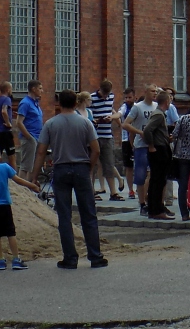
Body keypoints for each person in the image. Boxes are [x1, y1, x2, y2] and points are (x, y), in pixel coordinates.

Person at [31, 89, 107, 269]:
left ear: (58, 104)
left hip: (61, 168)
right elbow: (96, 149)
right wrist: (89, 167)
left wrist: (35, 176)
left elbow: (41, 151)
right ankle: (95, 256)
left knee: (64, 215)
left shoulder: (50, 124)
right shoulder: (85, 123)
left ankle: (70, 258)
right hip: (81, 167)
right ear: (75, 103)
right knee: (88, 213)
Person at [122, 84, 158, 216]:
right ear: (146, 92)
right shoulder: (138, 107)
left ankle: (154, 201)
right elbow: (125, 124)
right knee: (141, 175)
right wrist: (140, 133)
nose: (155, 93)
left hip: (155, 144)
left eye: (156, 91)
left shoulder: (157, 107)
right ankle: (142, 203)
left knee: (155, 174)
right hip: (141, 145)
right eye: (152, 91)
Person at [143, 91, 175, 220]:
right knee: (158, 180)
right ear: (166, 102)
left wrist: (167, 138)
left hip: (161, 147)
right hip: (158, 150)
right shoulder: (158, 115)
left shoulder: (160, 114)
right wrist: (151, 145)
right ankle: (155, 210)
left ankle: (156, 208)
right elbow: (147, 130)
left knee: (158, 180)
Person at [89, 80, 123, 200]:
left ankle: (113, 192)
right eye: (104, 94)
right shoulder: (92, 98)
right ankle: (91, 191)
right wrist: (97, 120)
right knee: (92, 164)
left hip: (107, 134)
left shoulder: (111, 97)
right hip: (95, 135)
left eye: (107, 95)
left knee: (109, 163)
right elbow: (88, 115)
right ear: (100, 90)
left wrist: (111, 118)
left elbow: (112, 110)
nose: (105, 97)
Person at [16, 80, 44, 182]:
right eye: (40, 88)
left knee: (32, 166)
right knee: (26, 166)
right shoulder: (25, 103)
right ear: (33, 89)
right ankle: (21, 188)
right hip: (29, 138)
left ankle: (28, 188)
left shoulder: (35, 103)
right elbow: (19, 122)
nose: (42, 91)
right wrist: (29, 137)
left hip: (37, 137)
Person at [0, 82, 17, 170]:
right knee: (12, 156)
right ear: (8, 90)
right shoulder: (7, 99)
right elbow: (3, 111)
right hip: (5, 132)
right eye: (11, 89)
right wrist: (8, 123)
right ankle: (15, 180)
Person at [118, 87, 136, 198]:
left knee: (141, 166)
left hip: (138, 140)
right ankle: (130, 190)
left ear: (135, 97)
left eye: (130, 97)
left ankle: (141, 187)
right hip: (126, 140)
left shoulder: (138, 107)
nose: (127, 100)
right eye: (126, 97)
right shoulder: (124, 107)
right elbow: (119, 114)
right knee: (129, 166)